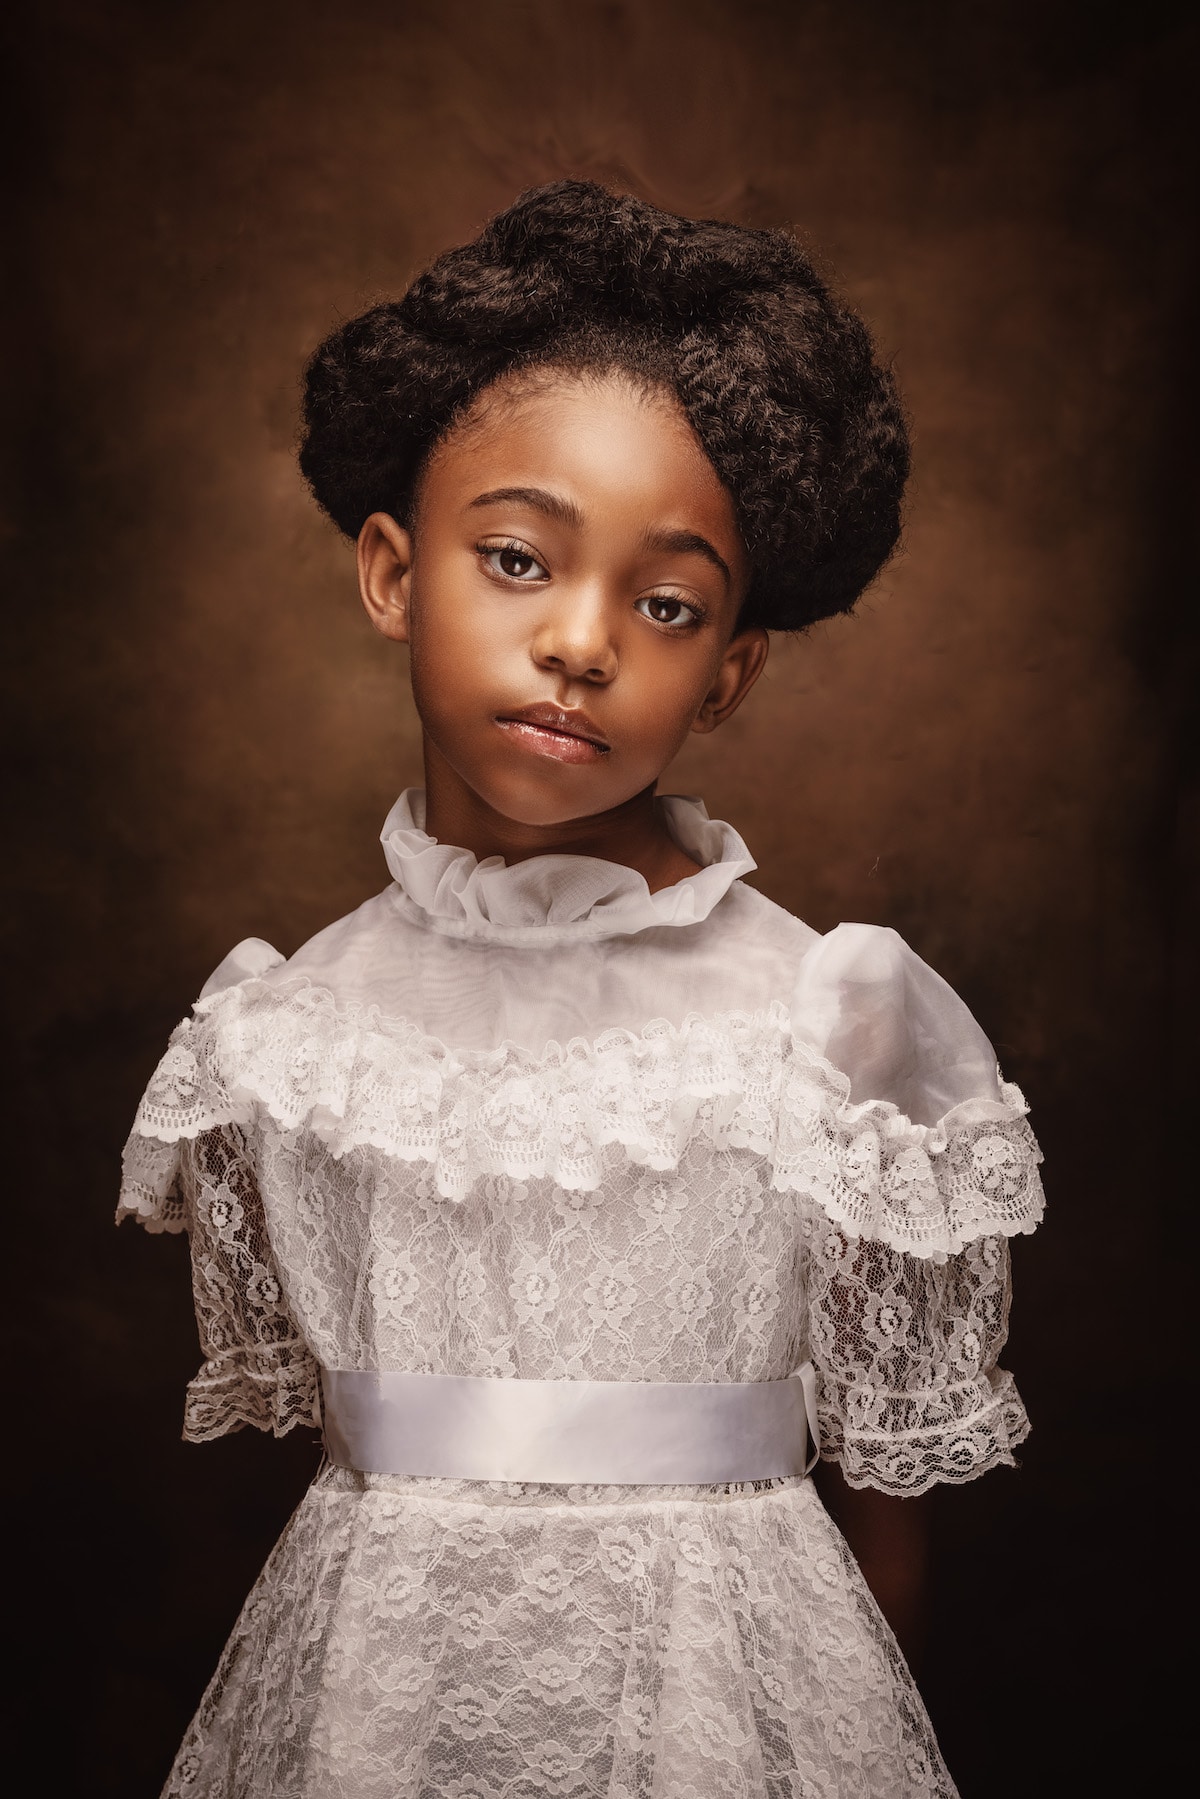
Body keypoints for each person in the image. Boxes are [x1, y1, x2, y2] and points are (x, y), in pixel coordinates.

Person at [119, 180, 1044, 1798]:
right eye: (518, 560)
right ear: (395, 575)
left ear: (731, 670)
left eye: (668, 603)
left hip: (730, 1684)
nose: (583, 642)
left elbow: (895, 1511)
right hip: (377, 1690)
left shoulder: (828, 1014)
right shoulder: (289, 1027)